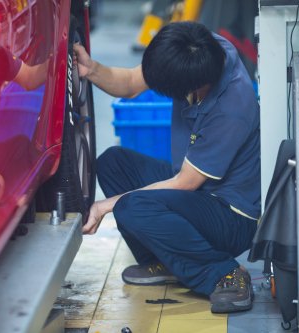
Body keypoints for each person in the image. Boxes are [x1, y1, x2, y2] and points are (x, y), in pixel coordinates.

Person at [73, 21, 260, 313]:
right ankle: (165, 261)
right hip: (197, 193)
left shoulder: (231, 107)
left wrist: (104, 205)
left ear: (192, 85)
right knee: (112, 164)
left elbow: (185, 183)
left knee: (130, 207)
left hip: (230, 216)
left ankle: (223, 273)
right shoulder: (193, 49)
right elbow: (132, 83)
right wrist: (91, 69)